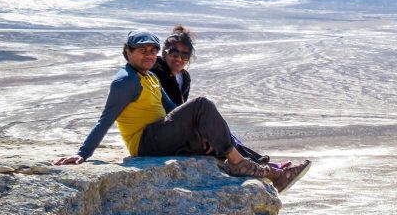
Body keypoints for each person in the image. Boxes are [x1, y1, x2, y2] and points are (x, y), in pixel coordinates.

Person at [53, 31, 310, 193]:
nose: (149, 55)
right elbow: (105, 119)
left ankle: (273, 175)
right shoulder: (126, 81)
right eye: (142, 50)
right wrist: (82, 154)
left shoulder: (147, 78)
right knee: (202, 104)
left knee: (206, 127)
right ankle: (240, 165)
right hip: (145, 143)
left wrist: (200, 133)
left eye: (152, 51)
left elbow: (174, 111)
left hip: (161, 136)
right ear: (128, 52)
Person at [152, 25, 271, 165]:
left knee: (219, 130)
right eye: (174, 53)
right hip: (162, 130)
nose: (179, 58)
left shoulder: (184, 77)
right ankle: (252, 163)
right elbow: (171, 111)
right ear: (164, 53)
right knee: (210, 129)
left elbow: (182, 109)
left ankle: (255, 161)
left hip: (177, 126)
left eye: (184, 55)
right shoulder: (157, 72)